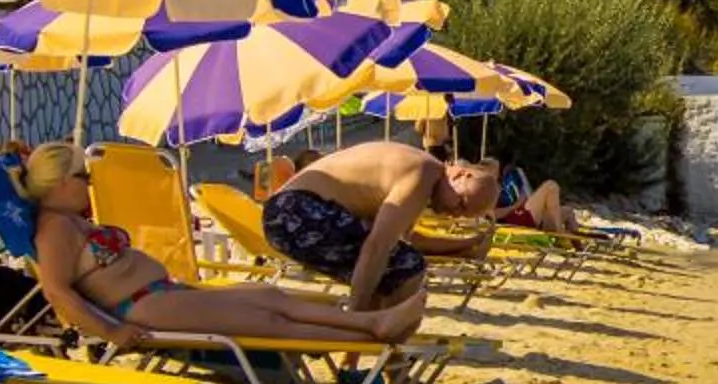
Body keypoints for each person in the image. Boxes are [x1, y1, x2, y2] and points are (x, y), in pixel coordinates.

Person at [25, 142, 428, 350]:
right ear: (61, 183)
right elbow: (56, 291)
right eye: (85, 177)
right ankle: (376, 332)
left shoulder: (72, 221)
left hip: (160, 295)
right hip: (142, 305)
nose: (90, 184)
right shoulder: (55, 228)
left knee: (269, 296)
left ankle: (373, 326)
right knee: (269, 322)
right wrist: (112, 332)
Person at [261, 138, 497, 309]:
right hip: (295, 210)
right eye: (461, 205)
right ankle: (365, 344)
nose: (454, 214)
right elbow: (377, 247)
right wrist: (357, 316)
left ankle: (355, 364)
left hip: (285, 215)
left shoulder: (424, 171)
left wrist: (466, 246)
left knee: (393, 269)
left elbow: (404, 240)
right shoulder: (422, 173)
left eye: (462, 216)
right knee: (407, 267)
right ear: (461, 175)